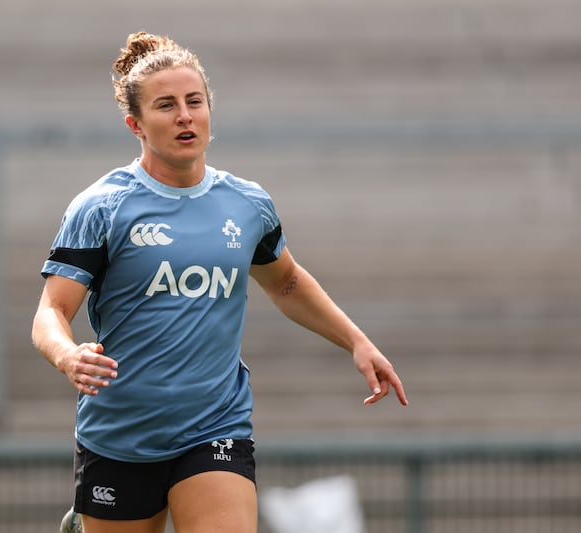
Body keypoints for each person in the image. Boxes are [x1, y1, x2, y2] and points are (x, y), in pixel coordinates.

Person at [32, 31, 408, 533]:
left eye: (195, 102)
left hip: (214, 426)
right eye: (165, 105)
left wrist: (357, 342)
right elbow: (50, 311)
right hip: (120, 433)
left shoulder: (247, 203)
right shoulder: (102, 207)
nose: (184, 115)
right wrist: (67, 354)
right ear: (135, 125)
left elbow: (288, 282)